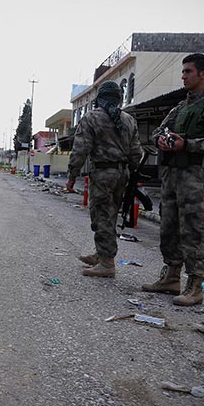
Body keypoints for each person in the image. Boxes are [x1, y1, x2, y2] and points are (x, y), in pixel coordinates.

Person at [142, 53, 204, 305]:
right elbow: (157, 132)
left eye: (188, 71)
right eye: (183, 72)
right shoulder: (180, 108)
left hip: (194, 179)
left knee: (193, 231)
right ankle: (171, 278)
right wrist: (162, 139)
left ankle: (195, 286)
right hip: (171, 177)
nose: (183, 76)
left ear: (203, 74)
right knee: (168, 228)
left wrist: (187, 144)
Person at [66, 80, 143, 278]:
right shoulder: (129, 120)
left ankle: (107, 263)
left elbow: (80, 149)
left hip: (102, 174)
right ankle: (101, 254)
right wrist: (132, 173)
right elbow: (136, 152)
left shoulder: (92, 117)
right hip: (122, 174)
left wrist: (72, 176)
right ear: (118, 98)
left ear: (100, 98)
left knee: (102, 216)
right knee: (111, 215)